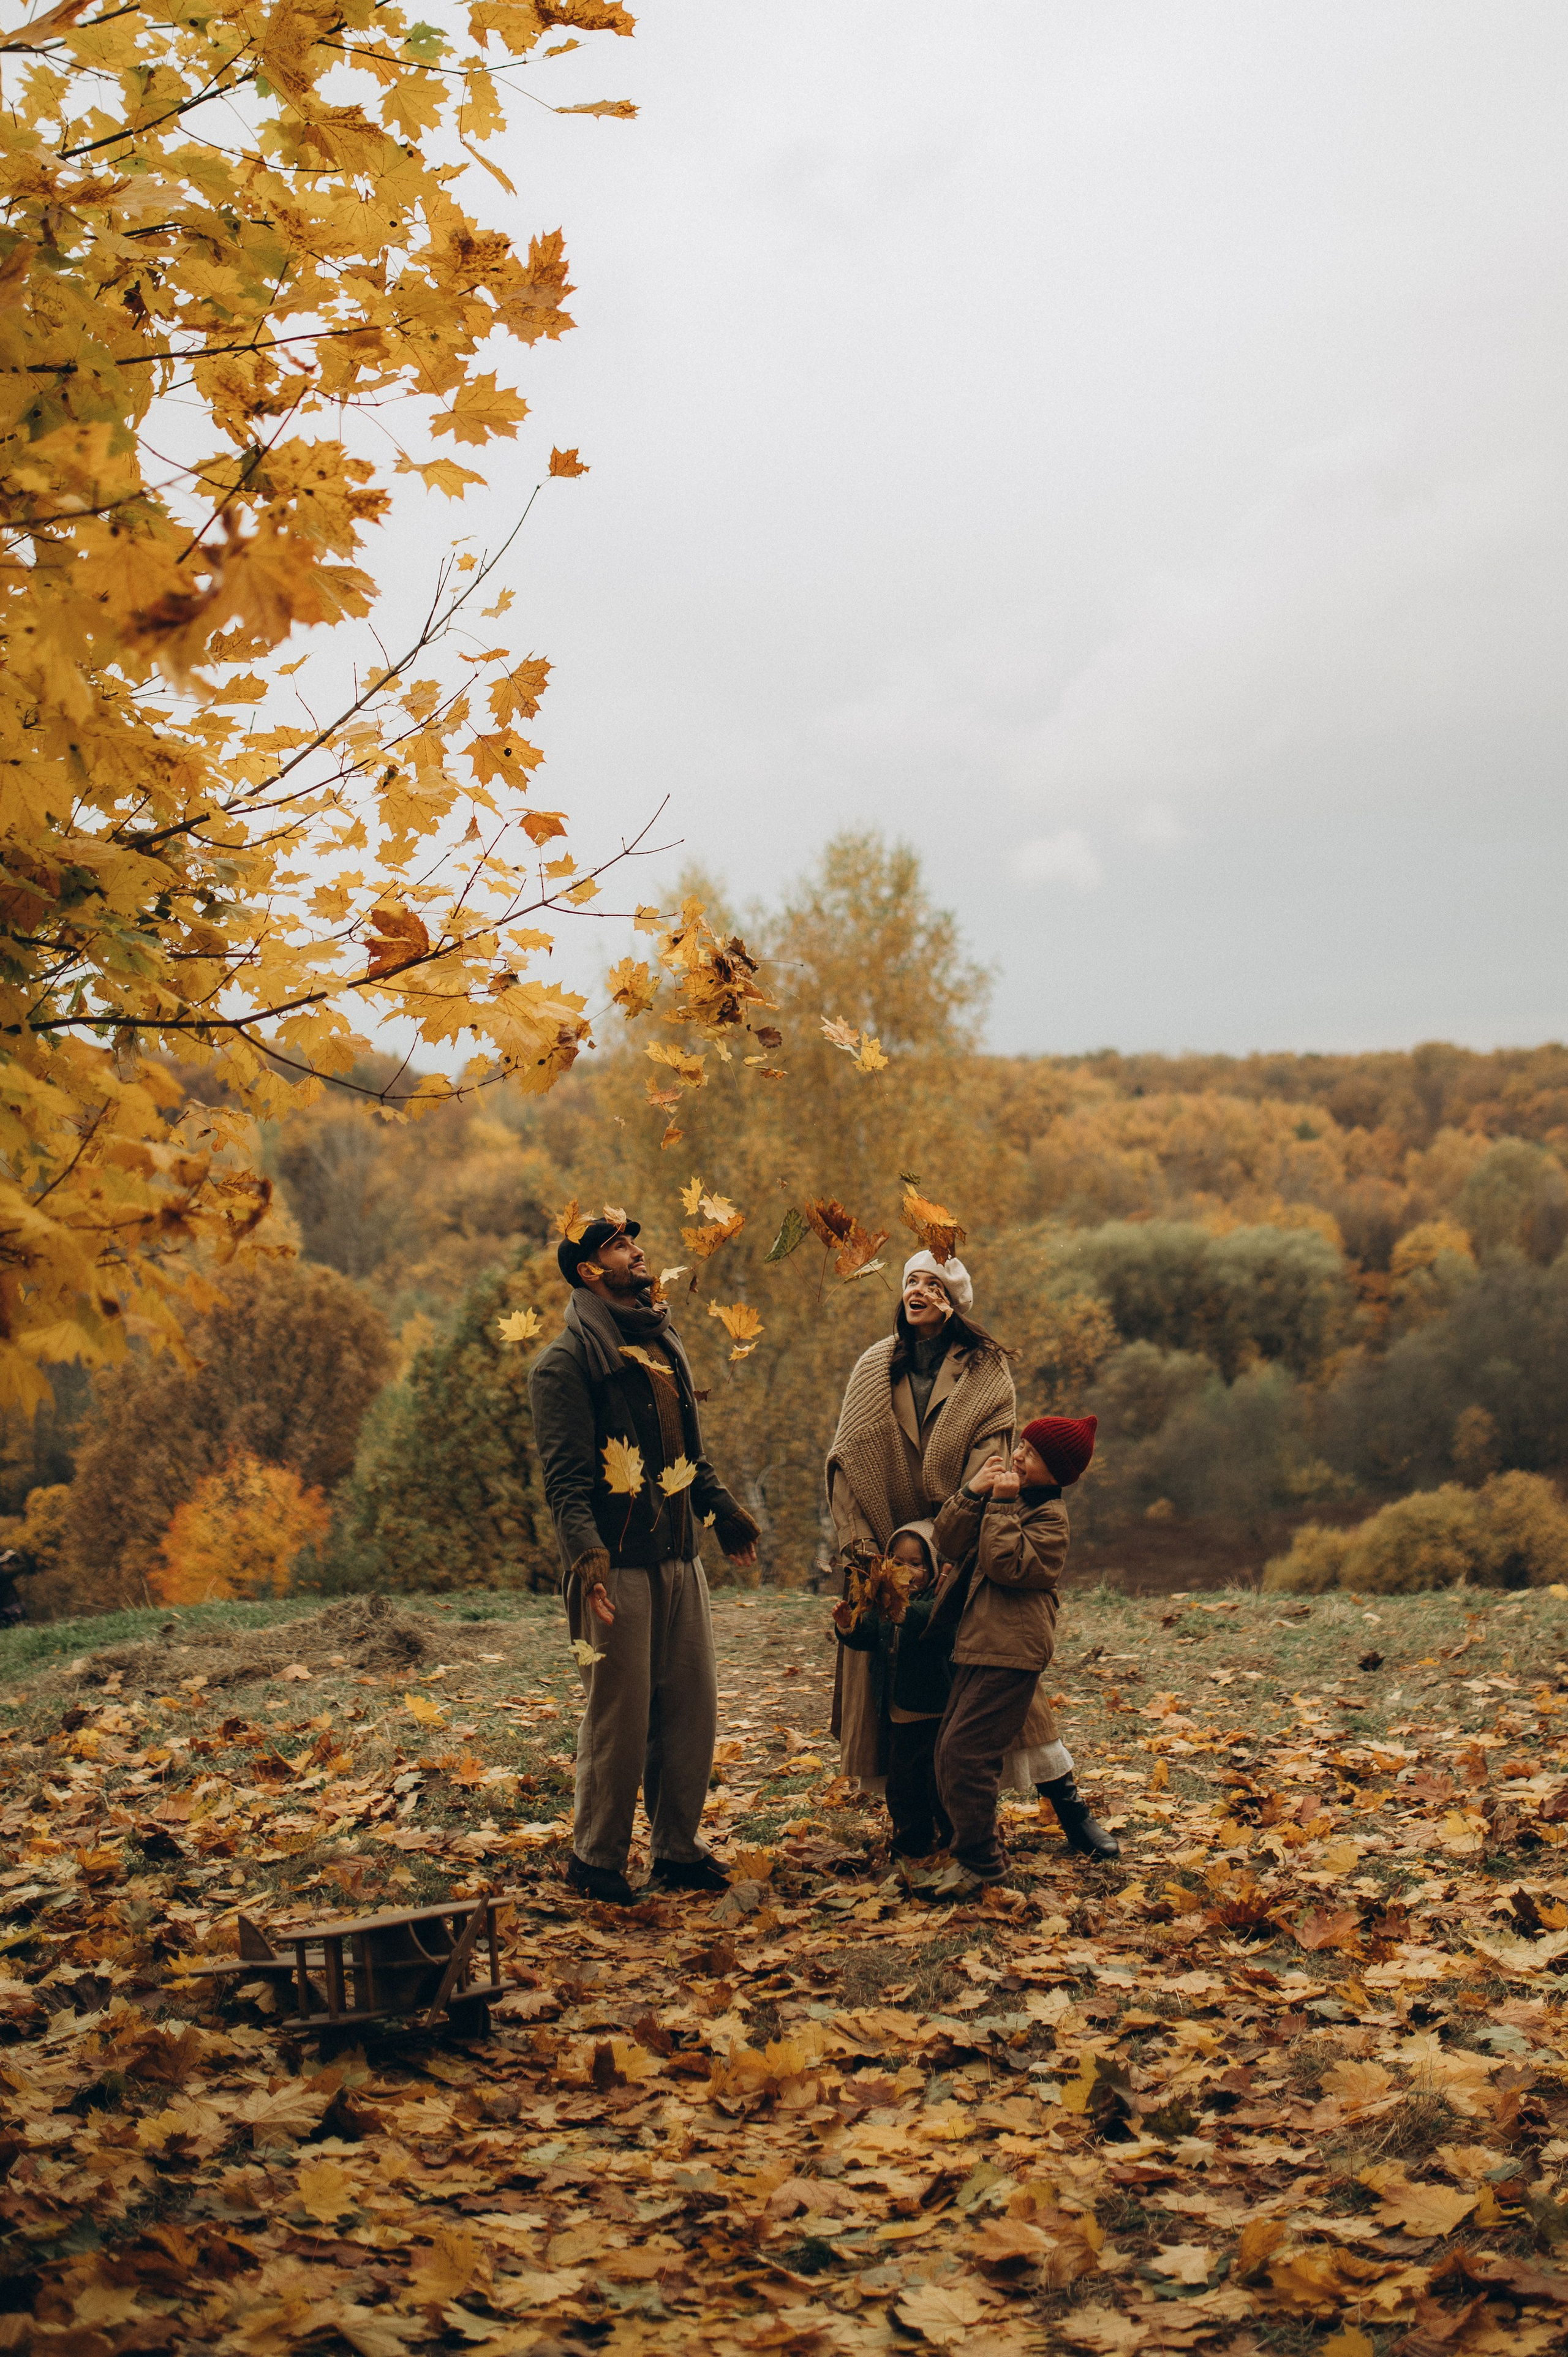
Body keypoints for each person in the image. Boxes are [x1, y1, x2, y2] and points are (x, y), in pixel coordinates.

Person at [529, 1212, 761, 1905]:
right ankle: (595, 1858)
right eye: (618, 1246)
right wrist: (589, 1564)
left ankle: (677, 1850)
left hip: (677, 1553)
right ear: (588, 1271)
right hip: (616, 1565)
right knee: (620, 1717)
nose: (637, 1252)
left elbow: (686, 1452)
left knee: (691, 1707)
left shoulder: (664, 1341)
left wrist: (720, 1510)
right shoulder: (564, 1363)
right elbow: (566, 1485)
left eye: (632, 1241)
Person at [826, 1252, 1016, 1795]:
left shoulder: (986, 1369)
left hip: (960, 1550)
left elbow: (989, 1466)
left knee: (977, 1681)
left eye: (934, 1284)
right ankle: (907, 1817)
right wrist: (866, 1555)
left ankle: (1058, 1803)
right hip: (883, 1556)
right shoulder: (874, 1366)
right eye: (912, 1280)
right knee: (888, 1687)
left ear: (953, 1301)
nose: (918, 1290)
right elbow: (848, 1463)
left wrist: (939, 1543)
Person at [930, 1414, 1117, 1886]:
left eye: (1031, 1454)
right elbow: (947, 1543)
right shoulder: (1002, 1500)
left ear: (1055, 1471)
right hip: (977, 1645)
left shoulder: (1051, 1518)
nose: (1017, 1455)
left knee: (968, 1755)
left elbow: (1007, 1565)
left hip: (1012, 1652)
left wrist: (1000, 1507)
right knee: (951, 1750)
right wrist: (972, 1494)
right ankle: (969, 1853)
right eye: (1021, 1446)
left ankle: (981, 1864)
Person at [831, 1520, 955, 1858]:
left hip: (935, 1713)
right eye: (899, 1563)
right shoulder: (884, 1603)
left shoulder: (938, 1601)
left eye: (917, 1564)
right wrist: (848, 1625)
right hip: (898, 1716)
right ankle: (911, 1840)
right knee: (902, 1786)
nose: (907, 1572)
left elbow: (935, 1625)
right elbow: (868, 1633)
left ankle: (953, 1841)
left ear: (932, 1568)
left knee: (940, 1786)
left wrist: (903, 1612)